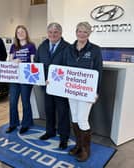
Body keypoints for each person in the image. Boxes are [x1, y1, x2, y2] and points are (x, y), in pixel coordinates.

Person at [63, 22, 103, 161]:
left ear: (89, 34)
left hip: (87, 91)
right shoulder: (69, 48)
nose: (82, 34)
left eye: (85, 32)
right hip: (71, 89)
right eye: (79, 31)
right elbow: (63, 67)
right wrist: (54, 81)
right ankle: (78, 146)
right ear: (76, 32)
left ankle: (86, 150)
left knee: (82, 119)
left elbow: (98, 71)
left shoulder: (95, 50)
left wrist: (96, 91)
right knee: (74, 117)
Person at [34, 22, 70, 150]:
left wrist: (57, 80)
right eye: (50, 32)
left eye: (55, 32)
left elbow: (69, 67)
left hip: (60, 88)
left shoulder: (68, 47)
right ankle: (50, 131)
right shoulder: (42, 46)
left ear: (60, 33)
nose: (53, 35)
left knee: (63, 112)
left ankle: (64, 137)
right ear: (47, 33)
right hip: (46, 86)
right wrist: (41, 79)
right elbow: (36, 63)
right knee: (49, 110)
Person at [6, 25, 36, 134]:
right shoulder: (14, 46)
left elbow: (33, 62)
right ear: (16, 35)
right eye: (18, 32)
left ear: (26, 33)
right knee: (13, 102)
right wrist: (15, 61)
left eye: (22, 31)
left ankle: (26, 124)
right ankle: (13, 124)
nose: (20, 34)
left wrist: (25, 64)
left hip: (26, 77)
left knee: (25, 101)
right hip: (14, 77)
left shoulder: (31, 46)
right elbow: (9, 60)